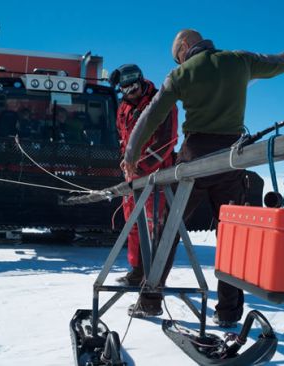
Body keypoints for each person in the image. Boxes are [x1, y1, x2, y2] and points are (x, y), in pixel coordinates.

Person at [121, 29, 284, 327]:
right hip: (231, 161)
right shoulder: (240, 61)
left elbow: (151, 115)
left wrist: (131, 156)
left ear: (185, 46)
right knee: (232, 238)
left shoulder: (180, 74)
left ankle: (150, 300)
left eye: (177, 54)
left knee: (167, 230)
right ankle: (229, 313)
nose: (178, 59)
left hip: (194, 159)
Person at [110, 64, 178, 317]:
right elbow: (123, 138)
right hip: (134, 177)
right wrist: (126, 162)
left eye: (134, 84)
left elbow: (168, 140)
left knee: (154, 228)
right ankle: (136, 271)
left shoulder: (161, 102)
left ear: (141, 80)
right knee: (134, 224)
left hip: (157, 177)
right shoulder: (123, 108)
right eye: (125, 87)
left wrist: (142, 165)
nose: (131, 90)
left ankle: (153, 281)